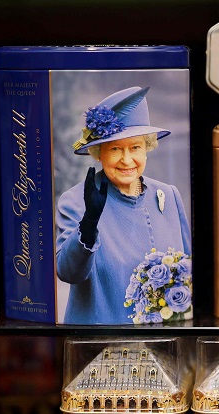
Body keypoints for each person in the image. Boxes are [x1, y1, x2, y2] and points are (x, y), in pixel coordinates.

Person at [56, 86, 191, 324]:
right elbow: (69, 273)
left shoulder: (168, 195)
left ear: (147, 148)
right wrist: (89, 223)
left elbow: (188, 272)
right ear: (98, 153)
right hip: (99, 343)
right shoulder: (76, 201)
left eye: (135, 147)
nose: (127, 160)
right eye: (115, 149)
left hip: (164, 341)